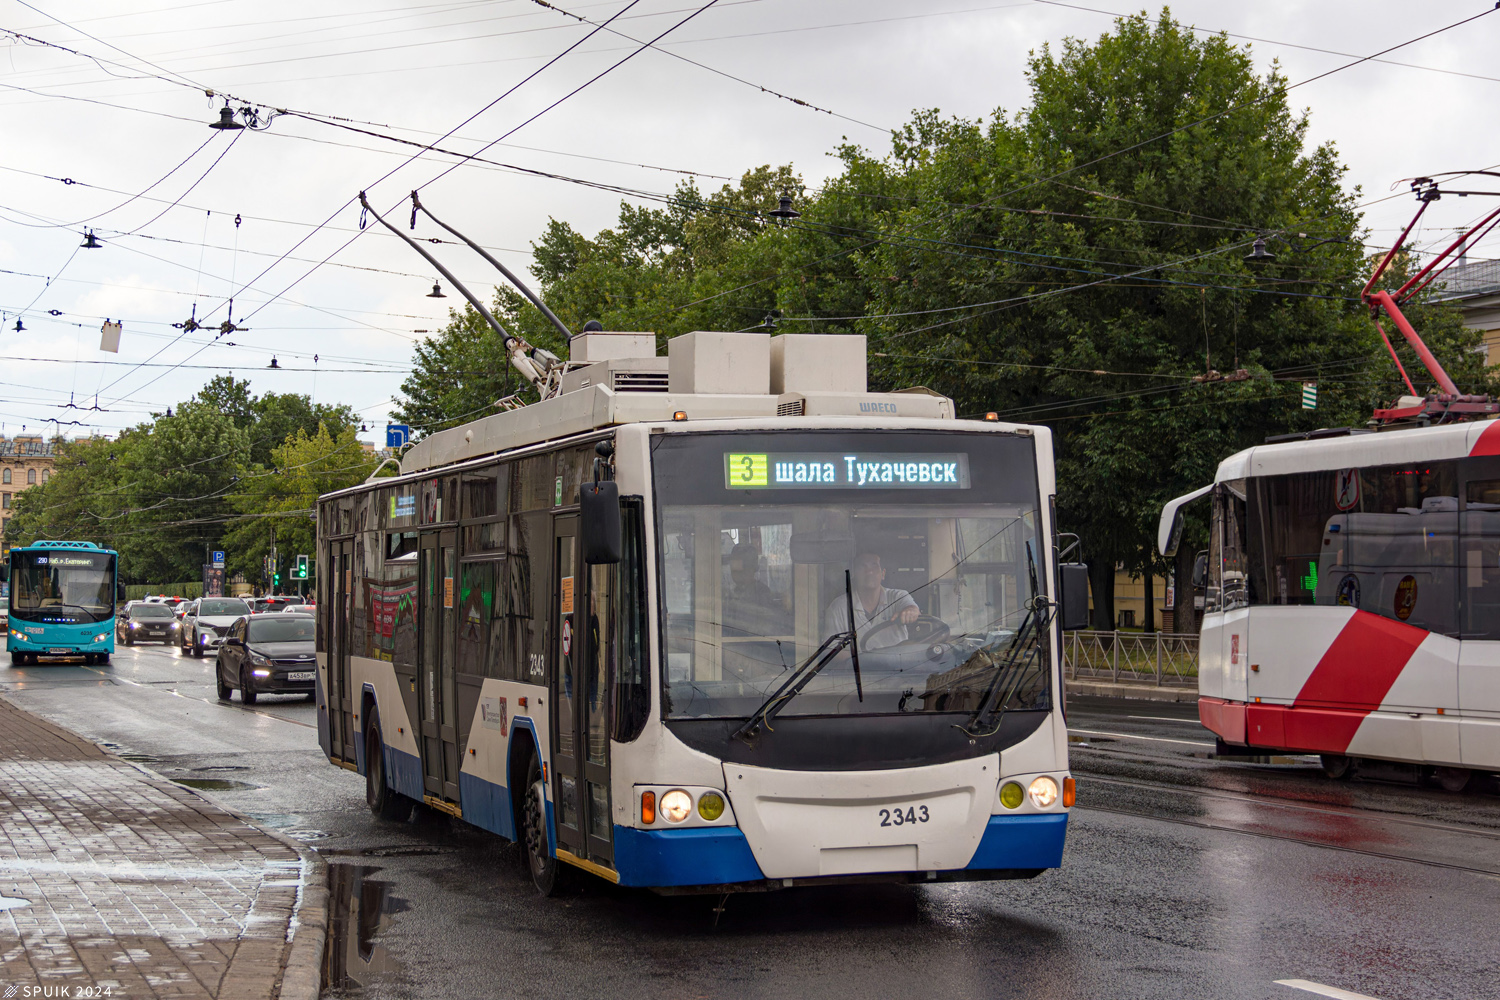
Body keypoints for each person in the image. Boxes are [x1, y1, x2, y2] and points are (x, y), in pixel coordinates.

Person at [824, 552, 919, 649]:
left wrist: (910, 611)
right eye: (863, 566)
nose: (869, 571)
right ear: (854, 574)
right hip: (857, 665)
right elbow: (832, 651)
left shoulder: (897, 596)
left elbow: (912, 608)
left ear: (883, 574)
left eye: (874, 566)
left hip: (898, 664)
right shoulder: (838, 607)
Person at [723, 543, 788, 636]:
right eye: (733, 569)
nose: (735, 573)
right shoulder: (732, 593)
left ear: (752, 568)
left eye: (739, 569)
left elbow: (766, 627)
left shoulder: (762, 592)